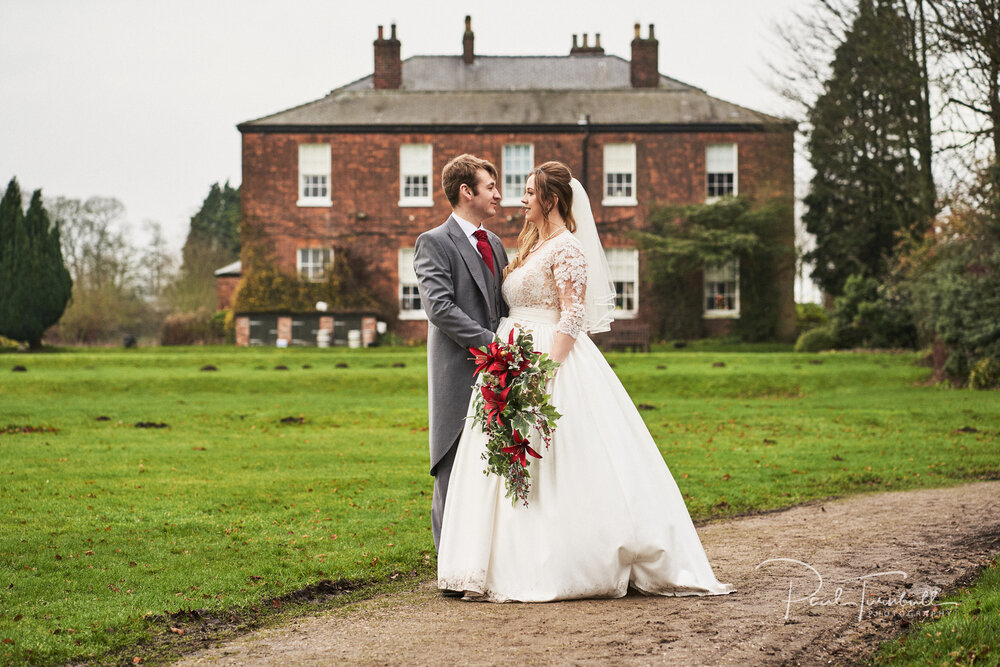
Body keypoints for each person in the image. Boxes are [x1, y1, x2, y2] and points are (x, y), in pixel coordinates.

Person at [437, 161, 734, 602]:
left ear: (550, 200)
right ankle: (493, 562)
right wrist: (509, 358)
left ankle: (565, 558)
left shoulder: (568, 249)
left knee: (560, 458)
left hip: (548, 361)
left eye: (529, 193)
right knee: (503, 457)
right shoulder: (530, 246)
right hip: (509, 358)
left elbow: (573, 314)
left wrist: (545, 371)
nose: (521, 200)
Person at [413, 154, 508, 560]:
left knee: (496, 464)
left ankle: (491, 558)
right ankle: (450, 565)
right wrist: (492, 343)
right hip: (459, 372)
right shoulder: (433, 242)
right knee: (452, 466)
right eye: (490, 187)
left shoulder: (498, 243)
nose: (499, 195)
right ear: (466, 192)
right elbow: (439, 308)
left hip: (500, 371)